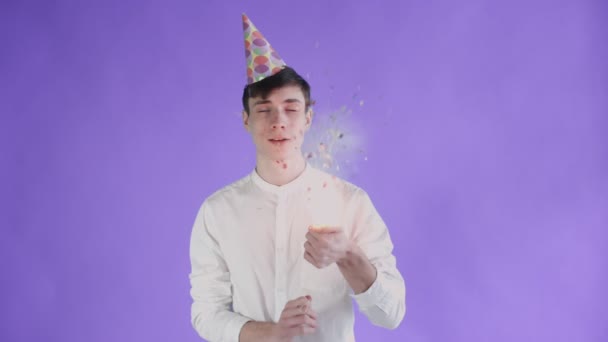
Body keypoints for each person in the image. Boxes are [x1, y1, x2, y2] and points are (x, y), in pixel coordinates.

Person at [189, 14, 405, 342]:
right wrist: (273, 333)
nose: (279, 121)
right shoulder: (217, 212)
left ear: (308, 118)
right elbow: (206, 312)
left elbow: (391, 315)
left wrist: (348, 254)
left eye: (291, 109)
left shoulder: (351, 203)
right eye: (264, 110)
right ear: (246, 120)